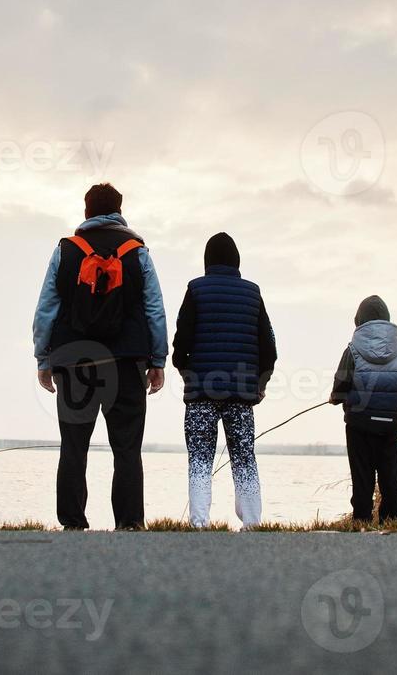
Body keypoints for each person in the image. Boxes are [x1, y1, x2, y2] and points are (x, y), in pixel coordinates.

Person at [32, 183, 168, 530]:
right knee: (126, 447)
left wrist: (43, 358)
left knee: (74, 445)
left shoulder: (66, 250)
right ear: (120, 210)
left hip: (74, 360)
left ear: (86, 211)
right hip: (126, 361)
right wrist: (157, 359)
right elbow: (154, 308)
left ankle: (73, 522)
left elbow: (47, 307)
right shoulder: (136, 251)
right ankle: (129, 522)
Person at [171, 232, 276, 528]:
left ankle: (199, 522)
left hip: (201, 393)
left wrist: (186, 372)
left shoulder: (196, 289)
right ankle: (253, 522)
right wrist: (260, 384)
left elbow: (181, 341)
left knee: (200, 458)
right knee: (244, 457)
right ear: (237, 261)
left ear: (207, 261)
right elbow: (269, 347)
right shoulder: (253, 293)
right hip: (242, 394)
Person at [328, 295, 397, 524]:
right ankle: (394, 520)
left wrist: (335, 398)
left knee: (362, 475)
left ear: (359, 320)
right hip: (389, 424)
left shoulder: (353, 349)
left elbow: (342, 382)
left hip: (359, 423)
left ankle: (362, 520)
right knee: (390, 476)